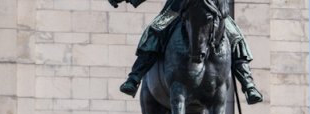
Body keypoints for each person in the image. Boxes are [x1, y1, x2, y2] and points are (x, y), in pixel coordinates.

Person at [108, 0, 264, 103]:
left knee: (236, 38)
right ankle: (134, 78)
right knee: (154, 31)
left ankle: (248, 84)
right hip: (179, 9)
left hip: (213, 11)